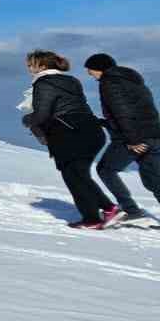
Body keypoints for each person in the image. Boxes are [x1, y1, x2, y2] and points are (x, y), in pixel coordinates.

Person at [20, 50, 119, 229]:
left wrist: (27, 120)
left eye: (31, 64)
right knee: (79, 175)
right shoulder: (71, 80)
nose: (29, 68)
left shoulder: (44, 83)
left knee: (74, 177)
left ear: (42, 66)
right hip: (91, 130)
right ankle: (108, 208)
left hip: (70, 133)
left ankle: (93, 220)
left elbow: (42, 114)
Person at [86, 54, 160, 222]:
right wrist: (105, 123)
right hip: (153, 135)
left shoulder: (109, 82)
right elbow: (140, 111)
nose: (89, 73)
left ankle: (131, 210)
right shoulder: (134, 81)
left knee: (106, 170)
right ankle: (132, 211)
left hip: (133, 138)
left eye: (90, 69)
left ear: (100, 68)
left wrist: (133, 140)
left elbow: (123, 113)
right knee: (155, 179)